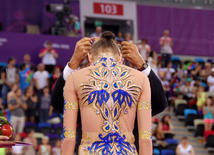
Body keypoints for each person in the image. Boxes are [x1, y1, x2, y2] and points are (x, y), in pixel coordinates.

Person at [52, 34, 167, 153]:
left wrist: (143, 66)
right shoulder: (141, 80)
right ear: (121, 58)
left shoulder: (76, 79)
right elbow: (57, 101)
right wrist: (72, 64)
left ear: (89, 57)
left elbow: (160, 102)